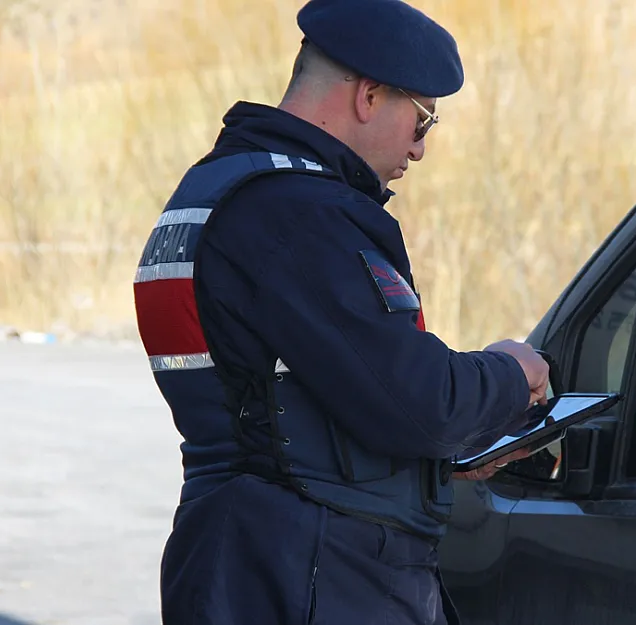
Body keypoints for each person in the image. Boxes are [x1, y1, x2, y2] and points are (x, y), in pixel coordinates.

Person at [132, 0, 550, 623]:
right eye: (423, 120)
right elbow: (419, 402)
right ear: (370, 96)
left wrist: (437, 461)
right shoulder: (299, 214)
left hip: (245, 557)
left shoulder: (219, 190)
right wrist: (513, 373)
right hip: (314, 573)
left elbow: (292, 407)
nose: (419, 149)